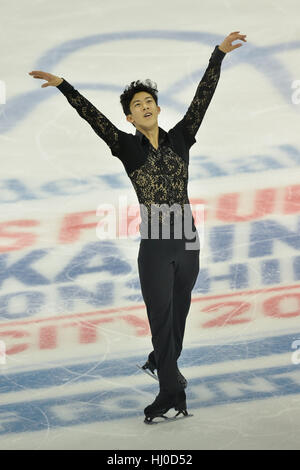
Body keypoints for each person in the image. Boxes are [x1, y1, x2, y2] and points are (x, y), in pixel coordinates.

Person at [28, 31, 247, 423]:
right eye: (137, 105)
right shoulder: (127, 148)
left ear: (158, 109)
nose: (144, 107)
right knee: (161, 321)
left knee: (178, 315)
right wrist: (64, 87)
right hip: (156, 247)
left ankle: (161, 363)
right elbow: (92, 118)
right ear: (129, 117)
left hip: (188, 241)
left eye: (149, 102)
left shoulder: (181, 138)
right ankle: (170, 390)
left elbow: (202, 99)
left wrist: (218, 56)